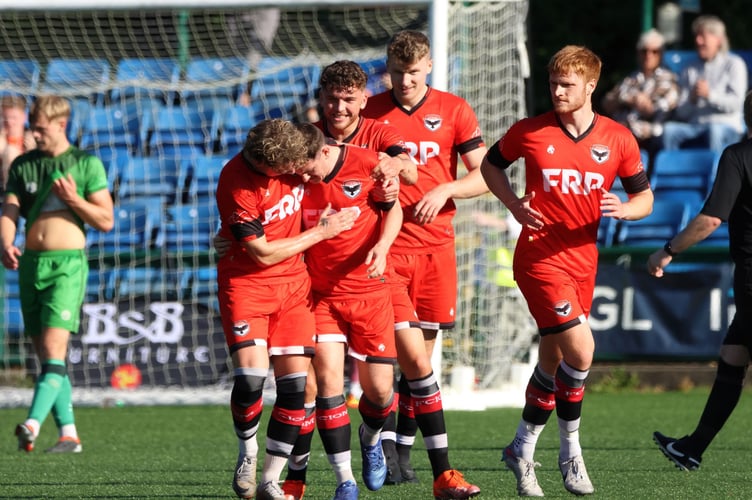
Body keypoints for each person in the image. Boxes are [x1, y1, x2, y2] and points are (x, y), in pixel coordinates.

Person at [480, 45, 654, 496]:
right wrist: (514, 205)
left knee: (554, 361)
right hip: (537, 258)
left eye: (567, 84)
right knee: (582, 353)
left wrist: (629, 210)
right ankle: (570, 453)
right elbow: (490, 164)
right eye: (554, 82)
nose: (557, 91)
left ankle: (521, 446)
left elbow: (645, 197)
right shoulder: (530, 131)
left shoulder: (618, 138)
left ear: (591, 86)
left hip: (583, 263)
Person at [361, 29, 486, 499]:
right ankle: (387, 442)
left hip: (437, 249)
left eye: (413, 72)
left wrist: (445, 189)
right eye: (398, 73)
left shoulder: (454, 110)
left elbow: (485, 175)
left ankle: (402, 450)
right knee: (400, 357)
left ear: (428, 67)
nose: (406, 81)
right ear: (388, 69)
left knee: (423, 362)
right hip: (388, 247)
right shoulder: (370, 111)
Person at [214, 118, 357, 500]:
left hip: (294, 289)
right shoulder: (236, 181)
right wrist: (322, 233)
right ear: (266, 167)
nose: (296, 173)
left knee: (295, 390)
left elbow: (343, 158)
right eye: (287, 170)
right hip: (246, 286)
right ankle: (247, 452)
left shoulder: (295, 155)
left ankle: (269, 481)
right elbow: (261, 254)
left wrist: (392, 167)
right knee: (250, 378)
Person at [293, 122, 404, 499]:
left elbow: (395, 211)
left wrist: (384, 246)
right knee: (328, 386)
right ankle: (345, 480)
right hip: (321, 296)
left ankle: (370, 438)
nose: (303, 175)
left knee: (380, 393)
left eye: (307, 167)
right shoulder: (296, 176)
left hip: (370, 293)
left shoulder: (369, 165)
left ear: (324, 151)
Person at [1, 95, 114, 454]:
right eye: (32, 128)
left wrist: (75, 200)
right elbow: (10, 209)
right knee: (49, 358)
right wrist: (5, 242)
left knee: (52, 350)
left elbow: (106, 221)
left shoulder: (85, 164)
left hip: (66, 266)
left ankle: (31, 424)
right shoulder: (23, 165)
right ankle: (69, 435)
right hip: (31, 265)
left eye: (41, 129)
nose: (35, 135)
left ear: (61, 125)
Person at [649, 90, 752, 472]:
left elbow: (711, 219)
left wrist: (668, 250)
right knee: (733, 356)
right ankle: (691, 447)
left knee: (734, 357)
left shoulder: (738, 155)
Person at [660, 15, 747, 153]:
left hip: (725, 125)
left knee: (714, 130)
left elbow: (738, 104)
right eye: (697, 36)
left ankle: (717, 173)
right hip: (695, 126)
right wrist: (692, 99)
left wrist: (710, 95)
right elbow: (681, 112)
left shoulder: (734, 64)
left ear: (718, 40)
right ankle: (671, 173)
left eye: (703, 37)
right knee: (669, 130)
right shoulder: (689, 69)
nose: (698, 41)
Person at [600, 28, 679, 168]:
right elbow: (607, 103)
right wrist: (630, 99)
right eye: (644, 51)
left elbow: (653, 109)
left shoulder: (669, 80)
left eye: (654, 51)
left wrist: (627, 100)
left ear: (661, 54)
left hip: (649, 134)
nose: (648, 55)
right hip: (620, 132)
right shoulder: (630, 79)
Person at [0, 94, 35, 200]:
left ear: (24, 117)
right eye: (5, 118)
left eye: (14, 118)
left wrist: (32, 152)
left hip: (27, 191)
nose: (10, 122)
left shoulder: (33, 139)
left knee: (11, 152)